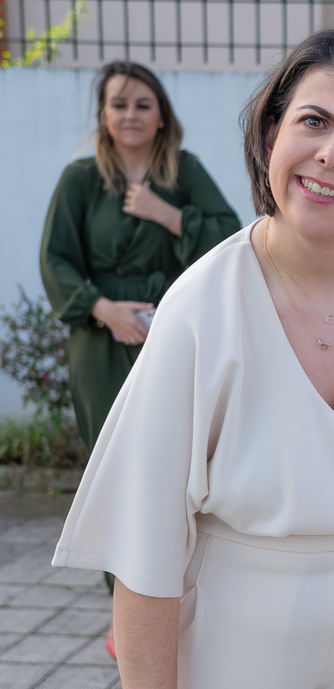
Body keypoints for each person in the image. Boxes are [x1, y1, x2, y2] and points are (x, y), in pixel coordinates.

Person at [52, 30, 334, 689]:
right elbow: (145, 549)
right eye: (313, 122)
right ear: (270, 140)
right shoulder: (201, 305)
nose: (330, 154)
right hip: (231, 649)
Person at [40, 61, 240, 453]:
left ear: (161, 117)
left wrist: (167, 214)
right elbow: (55, 258)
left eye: (143, 105)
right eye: (119, 105)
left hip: (173, 327)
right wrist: (102, 309)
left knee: (171, 451)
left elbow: (230, 240)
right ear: (104, 115)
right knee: (108, 454)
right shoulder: (79, 179)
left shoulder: (186, 171)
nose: (130, 114)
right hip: (99, 337)